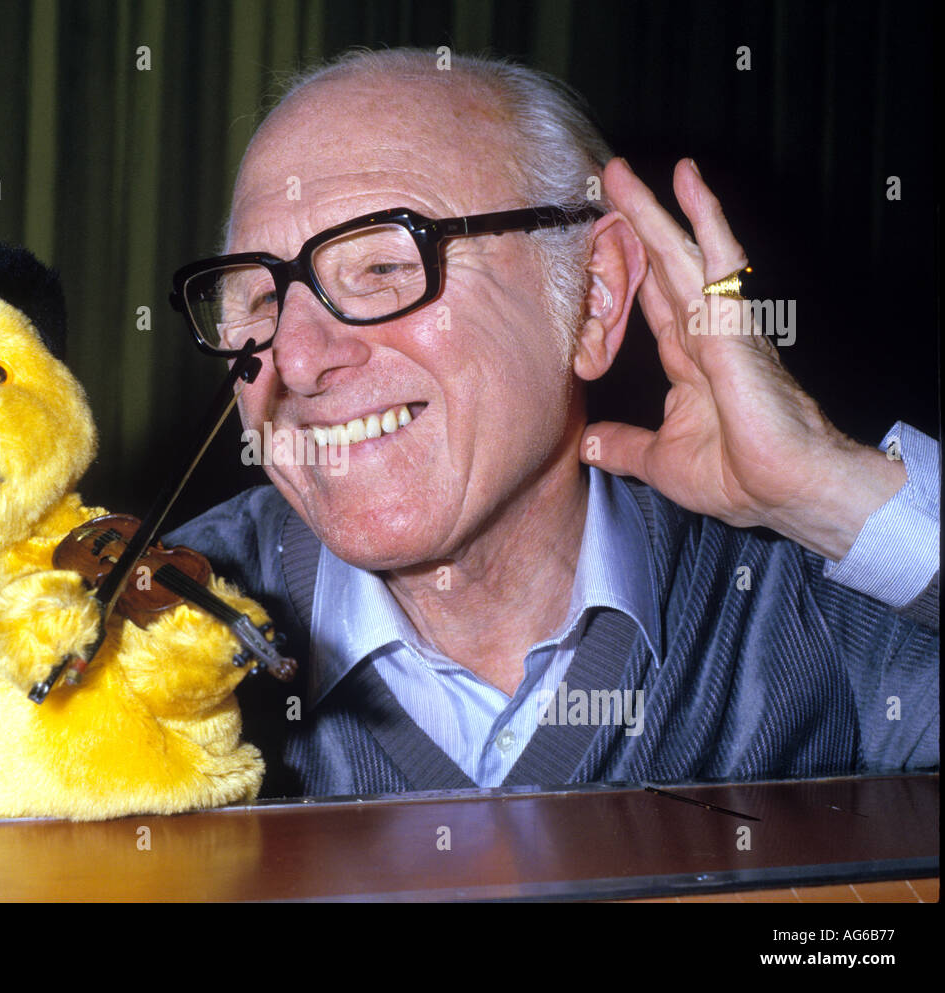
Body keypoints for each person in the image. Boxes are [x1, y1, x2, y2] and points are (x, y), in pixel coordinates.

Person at [164, 49, 939, 798]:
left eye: (383, 269)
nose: (296, 361)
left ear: (594, 296)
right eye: (261, 300)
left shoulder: (809, 601)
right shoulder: (147, 630)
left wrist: (831, 489)